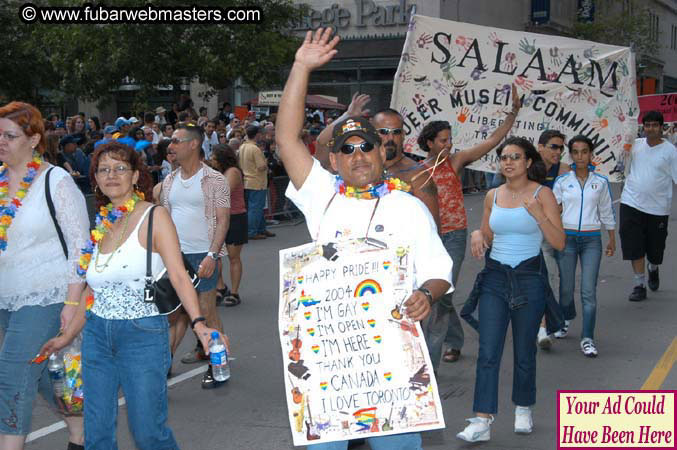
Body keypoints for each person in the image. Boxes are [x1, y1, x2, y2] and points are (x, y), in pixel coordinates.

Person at [276, 27, 453, 450]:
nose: (358, 155)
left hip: (393, 358)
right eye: (348, 149)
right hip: (326, 364)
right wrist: (301, 67)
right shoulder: (322, 196)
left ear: (382, 153)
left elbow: (438, 271)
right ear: (334, 159)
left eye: (367, 146)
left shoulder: (408, 207)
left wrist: (427, 295)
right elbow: (286, 139)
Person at [40, 141, 223, 449]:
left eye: (120, 168)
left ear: (136, 176)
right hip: (98, 334)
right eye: (103, 169)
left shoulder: (154, 216)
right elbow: (92, 291)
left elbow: (178, 274)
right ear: (95, 178)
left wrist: (200, 324)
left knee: (148, 431)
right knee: (96, 431)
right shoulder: (102, 221)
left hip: (142, 333)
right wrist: (66, 336)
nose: (111, 175)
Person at [457, 137, 565, 442]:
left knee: (524, 350)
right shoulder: (493, 195)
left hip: (529, 278)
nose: (508, 162)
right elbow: (488, 233)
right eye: (504, 157)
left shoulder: (542, 194)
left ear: (528, 162)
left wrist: (539, 214)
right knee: (488, 351)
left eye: (515, 157)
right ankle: (482, 420)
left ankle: (523, 408)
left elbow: (559, 243)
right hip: (495, 278)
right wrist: (478, 234)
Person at [0, 101, 88, 450]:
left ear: (34, 139)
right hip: (6, 295)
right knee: (44, 380)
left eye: (9, 136)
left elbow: (81, 247)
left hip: (46, 296)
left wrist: (71, 301)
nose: (1, 142)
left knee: (13, 375)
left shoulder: (57, 181)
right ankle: (84, 431)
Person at [415, 94, 520, 370]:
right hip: (428, 238)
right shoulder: (415, 171)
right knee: (441, 296)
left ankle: (429, 366)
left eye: (450, 139)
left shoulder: (456, 162)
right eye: (442, 140)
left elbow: (490, 143)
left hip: (455, 236)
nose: (449, 144)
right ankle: (456, 339)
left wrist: (511, 116)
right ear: (429, 142)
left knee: (440, 297)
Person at [161, 124, 231, 388]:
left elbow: (223, 220)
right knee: (174, 313)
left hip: (204, 254)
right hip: (175, 256)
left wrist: (212, 255)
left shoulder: (215, 180)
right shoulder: (169, 181)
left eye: (176, 141)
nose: (171, 145)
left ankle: (218, 363)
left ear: (193, 144)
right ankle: (163, 363)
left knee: (205, 312)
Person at [552, 135, 616, 357]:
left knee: (588, 291)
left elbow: (607, 211)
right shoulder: (561, 183)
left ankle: (587, 337)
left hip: (591, 241)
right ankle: (565, 318)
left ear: (591, 154)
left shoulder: (600, 182)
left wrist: (611, 238)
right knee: (566, 288)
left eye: (584, 151)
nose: (580, 156)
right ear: (571, 155)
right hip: (566, 239)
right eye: (576, 152)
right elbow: (553, 210)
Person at [619, 110, 677, 301]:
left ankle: (653, 267)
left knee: (655, 250)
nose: (650, 129)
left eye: (654, 125)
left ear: (661, 128)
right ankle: (639, 284)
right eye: (647, 125)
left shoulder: (670, 151)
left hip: (657, 209)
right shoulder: (634, 145)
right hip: (631, 203)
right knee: (634, 245)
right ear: (643, 127)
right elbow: (619, 163)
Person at [535, 129, 570, 349]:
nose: (558, 151)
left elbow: (568, 199)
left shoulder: (564, 169)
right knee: (545, 279)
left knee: (564, 282)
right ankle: (542, 329)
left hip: (561, 231)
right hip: (536, 232)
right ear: (540, 147)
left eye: (561, 148)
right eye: (554, 147)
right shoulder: (530, 169)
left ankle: (559, 317)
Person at [210, 144, 248, 306]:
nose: (211, 160)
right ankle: (220, 287)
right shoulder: (217, 173)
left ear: (222, 158)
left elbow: (223, 191)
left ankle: (234, 292)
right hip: (219, 218)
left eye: (214, 157)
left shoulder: (232, 172)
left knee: (233, 257)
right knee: (215, 255)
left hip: (235, 217)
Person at [240, 125, 274, 240]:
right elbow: (261, 166)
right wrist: (266, 161)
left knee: (255, 208)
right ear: (257, 135)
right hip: (257, 182)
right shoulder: (254, 148)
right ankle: (252, 231)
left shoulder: (243, 146)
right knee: (255, 208)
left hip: (247, 181)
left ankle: (260, 229)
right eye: (261, 134)